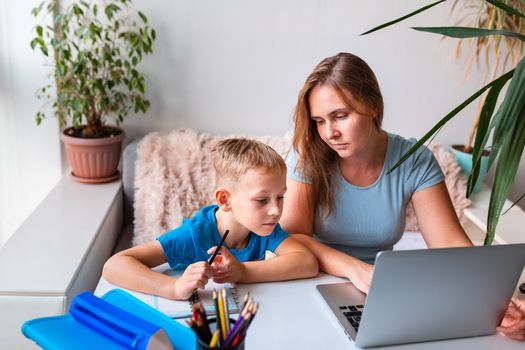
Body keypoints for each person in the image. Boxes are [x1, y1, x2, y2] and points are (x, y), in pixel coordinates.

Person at [279, 52, 525, 341]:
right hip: (311, 283)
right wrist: (355, 269)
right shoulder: (307, 156)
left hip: (380, 295)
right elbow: (291, 237)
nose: (329, 133)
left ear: (372, 106)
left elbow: (450, 244)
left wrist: (496, 301)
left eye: (340, 116)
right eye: (319, 121)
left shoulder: (414, 160)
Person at [103, 138, 318, 300]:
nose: (275, 210)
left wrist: (242, 272)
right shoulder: (195, 235)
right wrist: (173, 288)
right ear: (224, 199)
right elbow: (115, 265)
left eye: (280, 197)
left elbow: (307, 262)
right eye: (262, 200)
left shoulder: (263, 227)